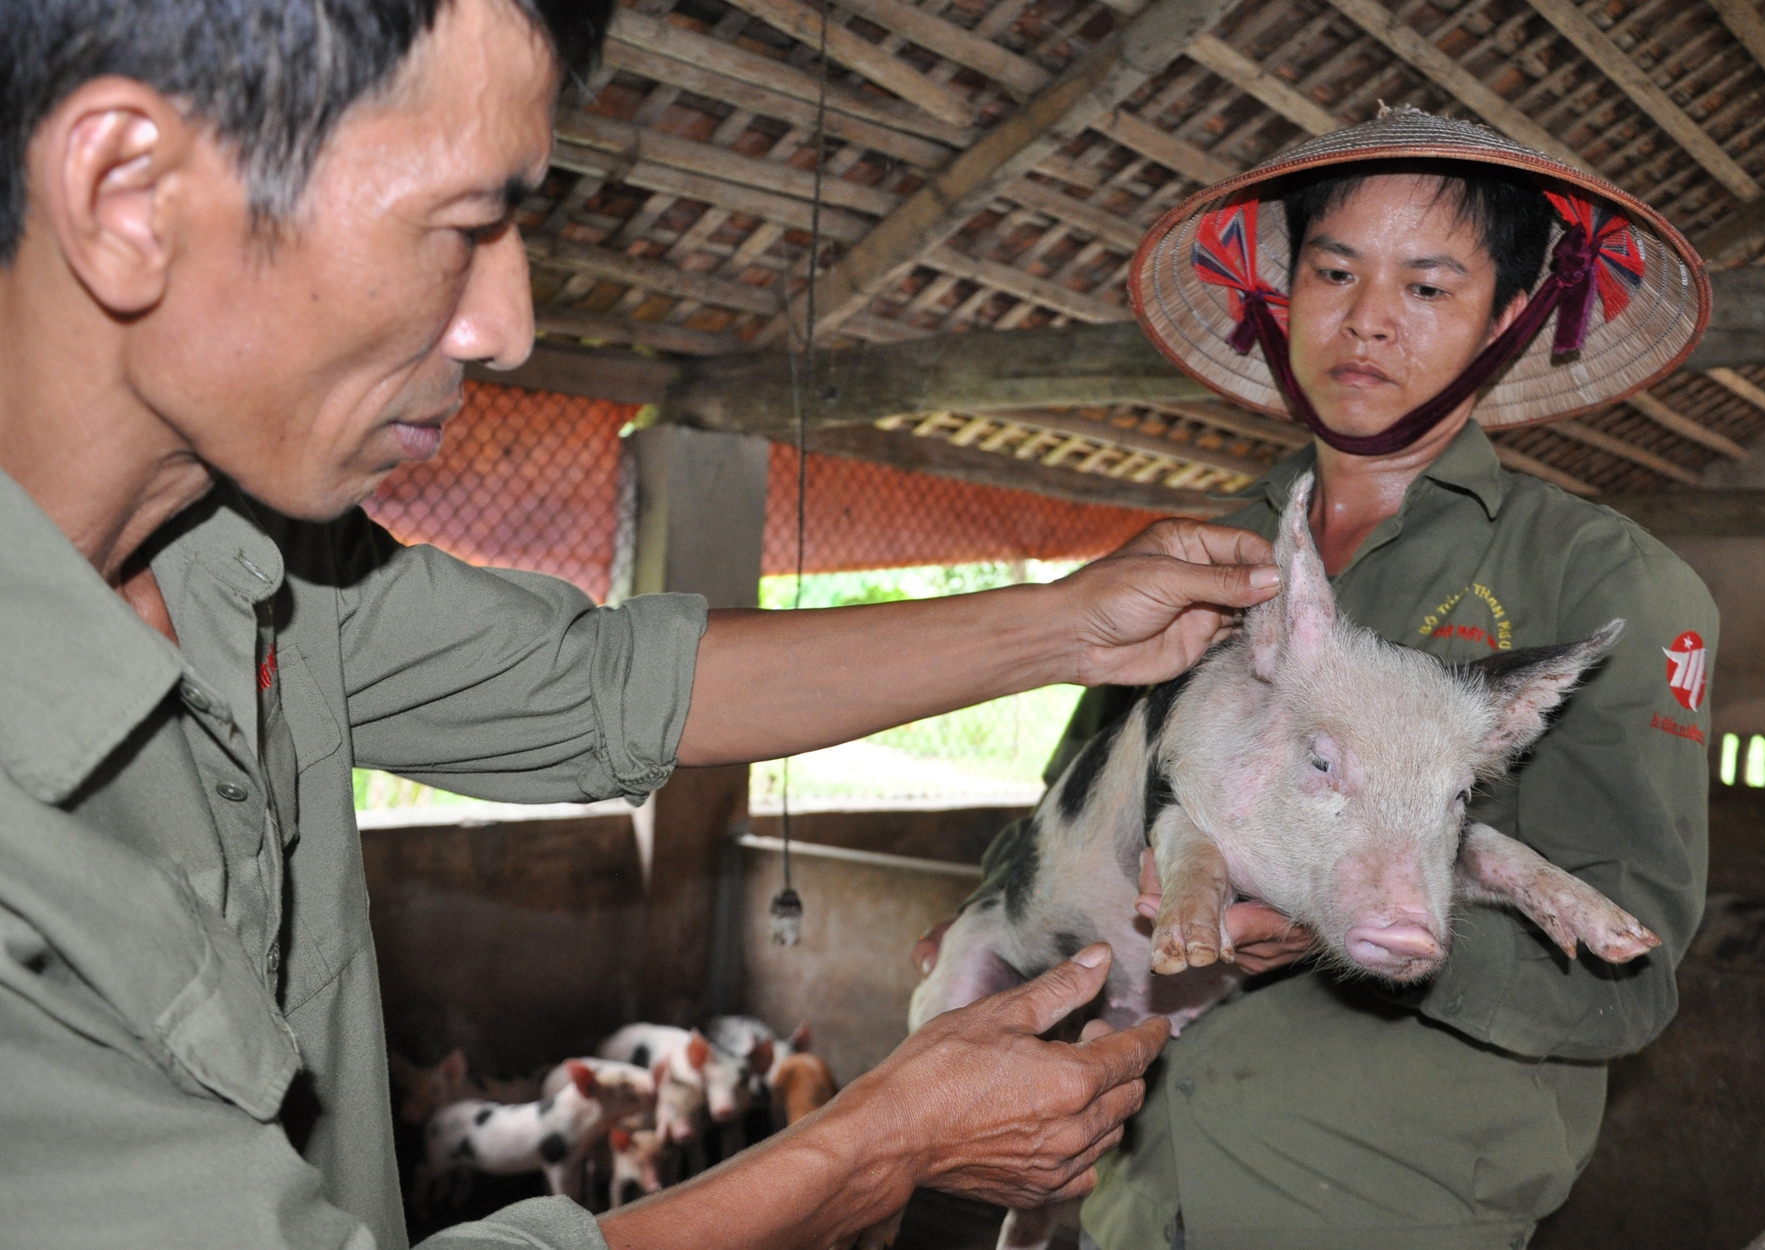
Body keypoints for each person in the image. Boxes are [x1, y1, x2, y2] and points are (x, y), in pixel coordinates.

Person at [0, 2, 1287, 1247]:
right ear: (129, 195)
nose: (508, 326)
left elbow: (598, 685)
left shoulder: (255, 560)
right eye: (464, 224)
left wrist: (1069, 625)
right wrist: (871, 1144)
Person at [925, 108, 1721, 1249]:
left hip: (1373, 1206)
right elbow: (1084, 793)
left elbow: (1627, 979)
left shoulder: (1604, 586)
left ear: (1507, 316)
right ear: (1279, 294)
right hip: (1128, 1185)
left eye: (1428, 287)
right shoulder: (1192, 562)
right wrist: (982, 929)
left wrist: (1349, 921)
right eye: (1334, 271)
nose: (1365, 321)